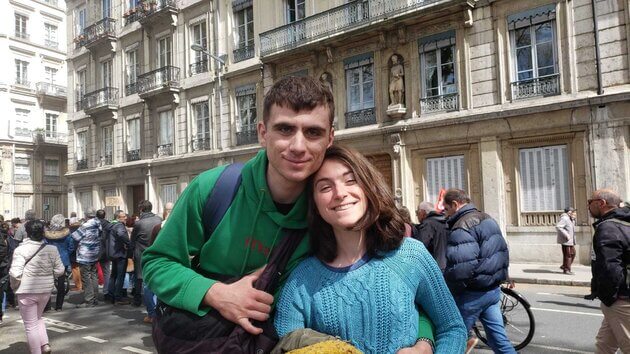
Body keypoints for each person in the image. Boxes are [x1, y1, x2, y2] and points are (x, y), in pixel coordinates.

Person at [142, 75, 336, 337]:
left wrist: (414, 341)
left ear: (330, 139)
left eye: (313, 132)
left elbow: (391, 269)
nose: (298, 146)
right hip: (208, 342)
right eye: (285, 129)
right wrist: (216, 294)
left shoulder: (335, 204)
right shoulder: (214, 188)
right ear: (262, 133)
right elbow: (157, 263)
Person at [274, 145, 466, 353]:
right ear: (315, 205)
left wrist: (425, 344)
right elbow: (286, 344)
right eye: (325, 187)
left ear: (368, 188)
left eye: (351, 180)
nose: (340, 193)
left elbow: (452, 328)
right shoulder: (301, 281)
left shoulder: (411, 256)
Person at [442, 189, 514, 354]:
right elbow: (502, 251)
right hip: (492, 290)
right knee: (499, 340)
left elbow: (462, 267)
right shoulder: (487, 218)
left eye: (446, 208)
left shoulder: (462, 226)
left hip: (473, 294)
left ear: (455, 204)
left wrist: (449, 289)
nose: (445, 213)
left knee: (453, 339)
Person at [9, 220, 64, 354]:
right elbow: (60, 270)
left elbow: (15, 273)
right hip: (45, 290)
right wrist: (48, 275)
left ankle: (36, 351)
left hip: (27, 290)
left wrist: (15, 287)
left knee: (30, 324)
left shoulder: (20, 250)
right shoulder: (52, 249)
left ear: (27, 233)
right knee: (38, 318)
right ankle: (44, 344)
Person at [586, 189, 630, 353]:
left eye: (590, 202)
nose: (588, 206)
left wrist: (609, 297)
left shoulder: (608, 228)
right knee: (605, 345)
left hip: (620, 299)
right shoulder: (625, 222)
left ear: (601, 203)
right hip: (621, 295)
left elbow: (610, 268)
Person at [129, 200, 161, 307]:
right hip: (156, 252)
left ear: (141, 209)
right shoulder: (159, 219)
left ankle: (138, 300)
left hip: (142, 253)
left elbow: (132, 241)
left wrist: (130, 254)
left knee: (140, 277)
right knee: (155, 276)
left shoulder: (139, 223)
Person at [71, 207, 102, 308]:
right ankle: (95, 298)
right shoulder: (98, 223)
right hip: (95, 252)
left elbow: (75, 237)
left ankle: (89, 300)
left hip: (85, 254)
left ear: (86, 215)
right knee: (94, 276)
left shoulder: (85, 225)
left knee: (86, 277)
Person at [43, 214, 74, 311]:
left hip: (49, 259)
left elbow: (44, 245)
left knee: (47, 283)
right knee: (61, 284)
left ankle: (47, 306)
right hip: (63, 259)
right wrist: (65, 254)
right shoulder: (67, 233)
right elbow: (71, 247)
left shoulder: (47, 234)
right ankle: (59, 306)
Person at [414, 201, 449, 272]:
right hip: (448, 265)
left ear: (422, 212)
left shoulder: (427, 224)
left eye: (417, 212)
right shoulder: (446, 222)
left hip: (435, 267)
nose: (417, 215)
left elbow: (420, 247)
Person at [107, 210, 131, 305]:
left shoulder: (111, 225)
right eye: (123, 216)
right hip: (119, 253)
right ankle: (118, 298)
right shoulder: (119, 225)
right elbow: (121, 234)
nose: (125, 218)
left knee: (114, 275)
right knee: (120, 276)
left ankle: (111, 295)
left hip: (113, 253)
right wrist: (128, 243)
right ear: (118, 217)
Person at [96, 209, 112, 300]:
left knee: (92, 273)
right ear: (104, 215)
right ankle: (106, 292)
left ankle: (93, 293)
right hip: (105, 250)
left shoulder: (92, 224)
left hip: (94, 250)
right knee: (106, 272)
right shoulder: (109, 224)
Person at [556, 207, 577, 275]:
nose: (575, 213)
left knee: (573, 253)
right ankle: (567, 270)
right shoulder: (565, 218)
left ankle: (564, 266)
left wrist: (573, 219)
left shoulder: (571, 219)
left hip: (570, 241)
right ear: (569, 212)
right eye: (573, 212)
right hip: (566, 241)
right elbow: (558, 226)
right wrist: (566, 235)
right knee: (568, 255)